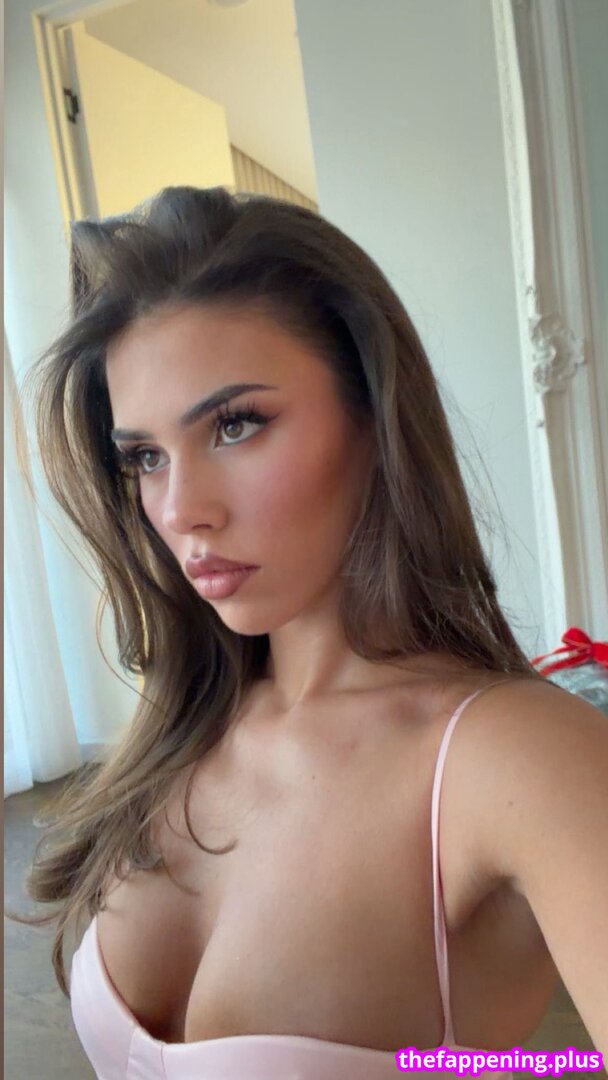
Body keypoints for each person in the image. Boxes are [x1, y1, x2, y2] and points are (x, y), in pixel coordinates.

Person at [13, 186, 607, 1079]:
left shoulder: (511, 757)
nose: (180, 509)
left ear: (373, 416)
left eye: (235, 424)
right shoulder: (181, 728)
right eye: (145, 457)